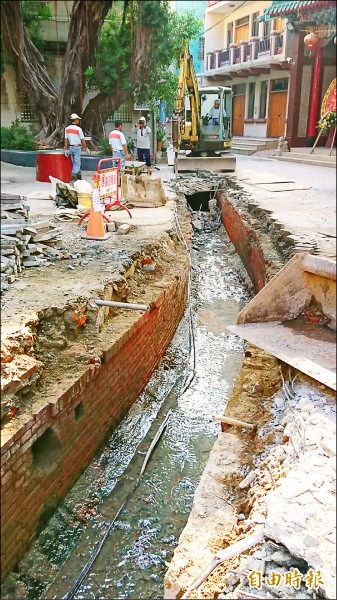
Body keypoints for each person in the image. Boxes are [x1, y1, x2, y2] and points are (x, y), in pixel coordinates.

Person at [64, 113, 90, 183]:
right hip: (77, 147)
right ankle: (72, 179)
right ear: (75, 120)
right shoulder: (78, 129)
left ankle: (79, 178)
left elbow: (66, 139)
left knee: (74, 163)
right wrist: (86, 148)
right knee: (77, 163)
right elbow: (82, 140)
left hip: (71, 147)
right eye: (78, 119)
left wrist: (66, 149)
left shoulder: (67, 129)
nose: (78, 121)